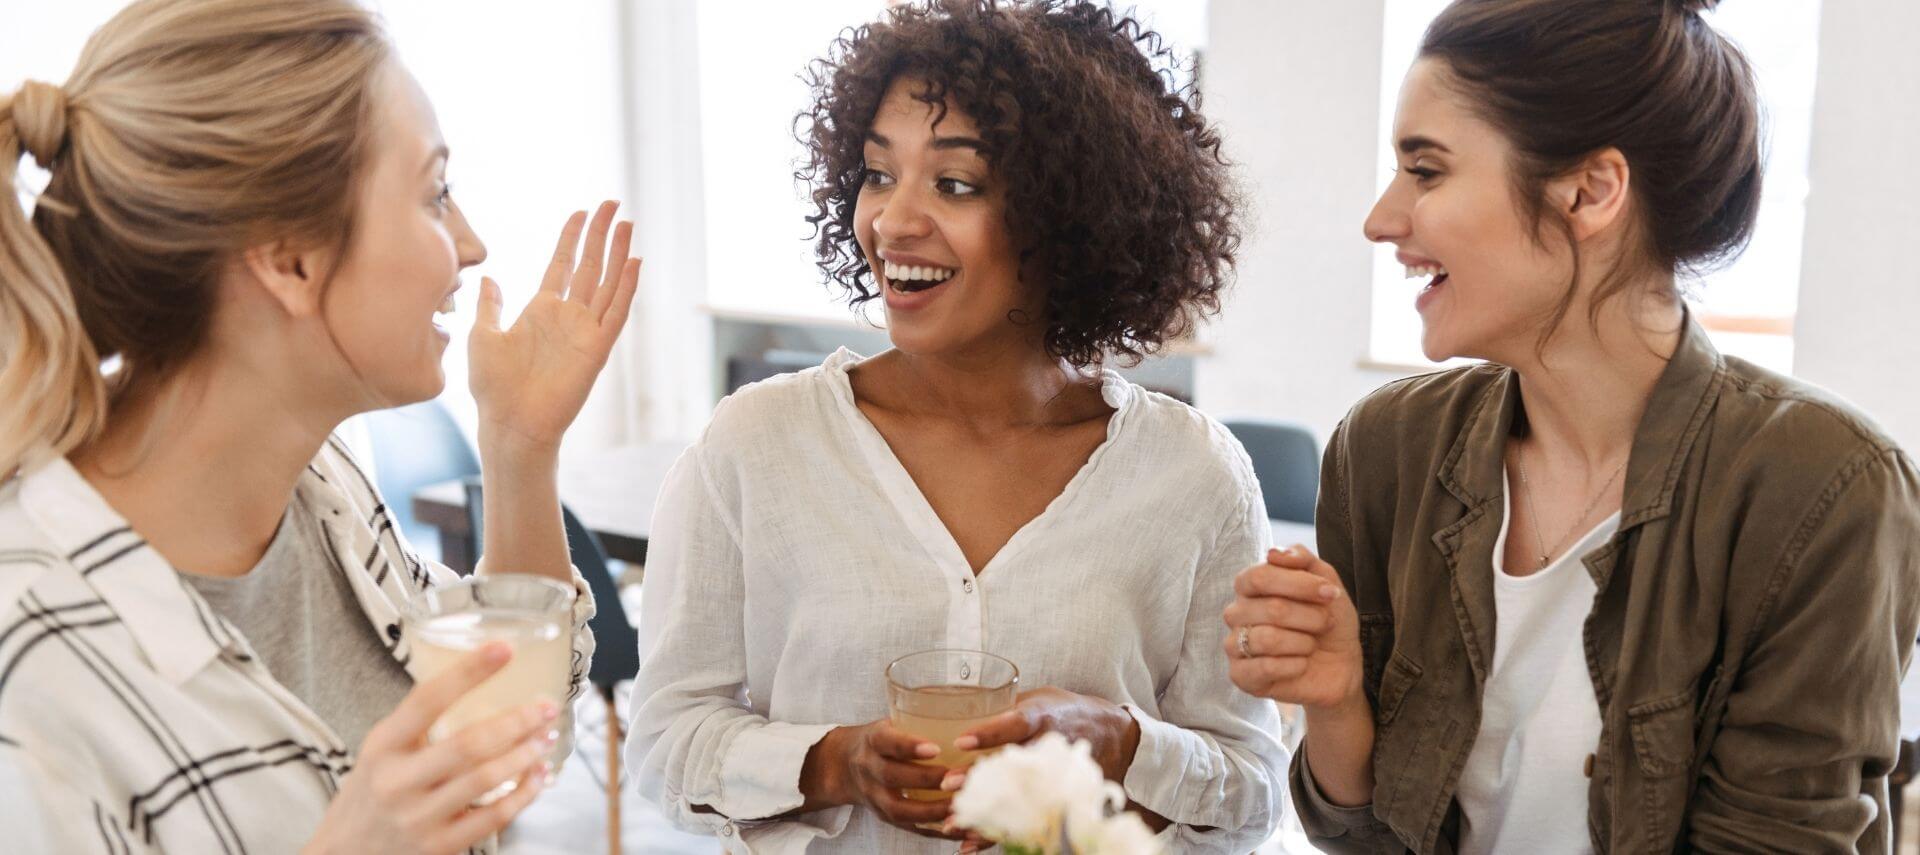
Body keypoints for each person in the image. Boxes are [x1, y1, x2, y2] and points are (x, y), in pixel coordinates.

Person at [1222, 0, 1920, 851]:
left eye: (1428, 171)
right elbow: (1360, 833)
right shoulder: (1386, 448)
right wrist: (1332, 697)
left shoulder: (1824, 486)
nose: (1382, 219)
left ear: (1590, 192)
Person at [627, 1, 1286, 851]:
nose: (893, 222)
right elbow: (663, 738)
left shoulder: (1194, 477)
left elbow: (1254, 791)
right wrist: (831, 762)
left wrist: (1124, 744)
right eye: (876, 173)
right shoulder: (756, 444)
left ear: (1070, 215)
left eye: (956, 184)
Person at [0, 0, 640, 851]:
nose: (473, 243)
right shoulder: (33, 662)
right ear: (290, 258)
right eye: (435, 193)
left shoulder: (321, 489)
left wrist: (521, 448)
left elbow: (502, 727)